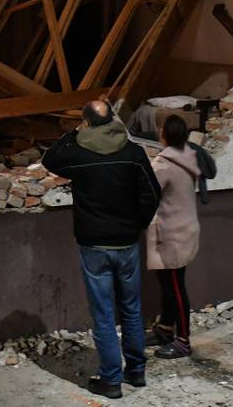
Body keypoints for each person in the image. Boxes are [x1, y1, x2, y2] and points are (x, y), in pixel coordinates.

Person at [42, 100, 161, 400]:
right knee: (131, 309)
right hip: (126, 243)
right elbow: (152, 192)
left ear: (86, 122)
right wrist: (137, 224)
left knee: (104, 314)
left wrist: (73, 133)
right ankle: (136, 371)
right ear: (113, 120)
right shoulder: (133, 152)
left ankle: (111, 380)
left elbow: (49, 159)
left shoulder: (78, 153)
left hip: (94, 244)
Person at [145, 114, 202, 359]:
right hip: (185, 227)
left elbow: (147, 191)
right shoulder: (189, 155)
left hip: (173, 232)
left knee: (175, 287)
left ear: (164, 135)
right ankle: (165, 329)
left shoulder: (164, 164)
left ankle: (183, 341)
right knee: (168, 282)